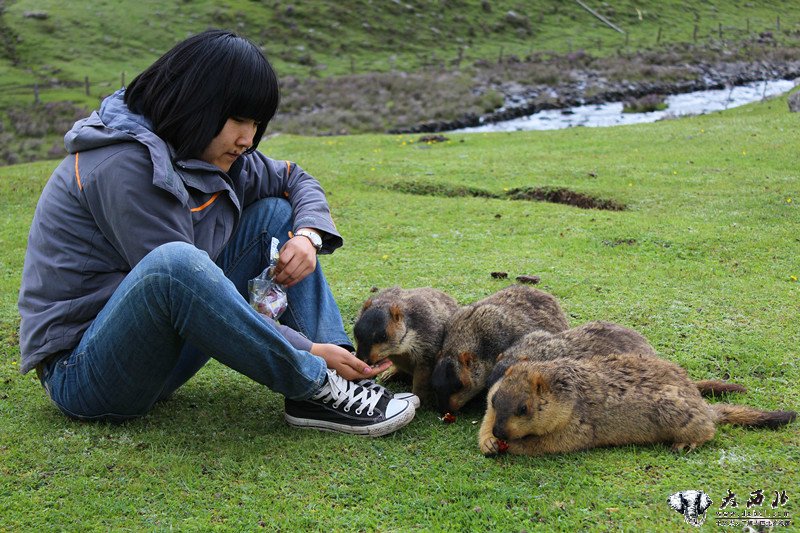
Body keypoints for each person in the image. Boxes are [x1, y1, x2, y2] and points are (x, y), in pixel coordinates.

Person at [17, 29, 417, 437]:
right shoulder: (121, 164)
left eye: (256, 123)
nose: (247, 139)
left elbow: (294, 178)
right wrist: (308, 352)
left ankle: (342, 378)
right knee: (177, 263)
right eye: (238, 119)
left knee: (276, 214)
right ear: (197, 102)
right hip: (85, 373)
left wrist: (308, 235)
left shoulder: (205, 146)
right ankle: (317, 377)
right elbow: (179, 281)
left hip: (156, 353)